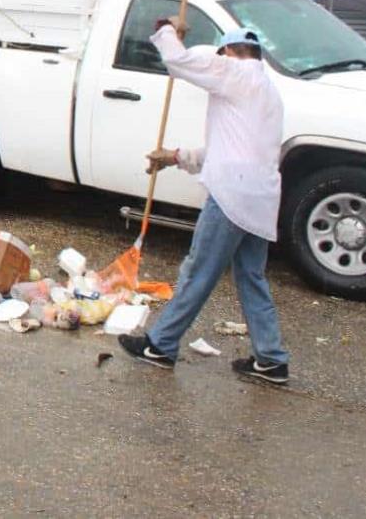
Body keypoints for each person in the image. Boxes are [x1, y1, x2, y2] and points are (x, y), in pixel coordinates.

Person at [119, 21, 290, 385]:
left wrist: (168, 30)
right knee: (251, 277)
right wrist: (176, 157)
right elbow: (228, 149)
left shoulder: (233, 70)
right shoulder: (268, 92)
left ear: (228, 52)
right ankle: (271, 359)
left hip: (231, 196)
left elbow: (178, 61)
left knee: (198, 271)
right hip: (260, 198)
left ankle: (161, 346)